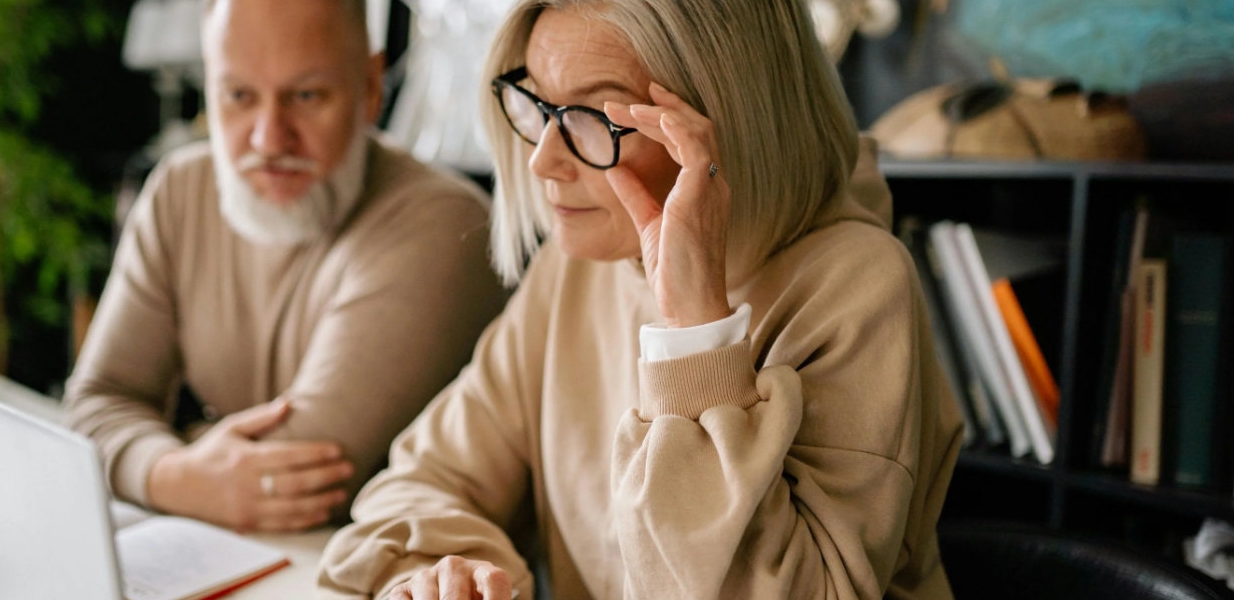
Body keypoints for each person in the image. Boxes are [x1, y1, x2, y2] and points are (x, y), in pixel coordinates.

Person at [316, 0, 963, 598]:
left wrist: (694, 331)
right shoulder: (577, 269)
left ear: (730, 121)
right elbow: (421, 481)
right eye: (538, 106)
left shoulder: (859, 287)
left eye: (594, 117)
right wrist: (450, 573)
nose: (543, 161)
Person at [63, 0, 507, 533]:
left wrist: (160, 451)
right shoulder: (180, 191)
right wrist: (175, 473)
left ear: (370, 88)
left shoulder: (445, 224)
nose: (269, 139)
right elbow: (93, 403)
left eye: (306, 95)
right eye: (239, 96)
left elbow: (303, 477)